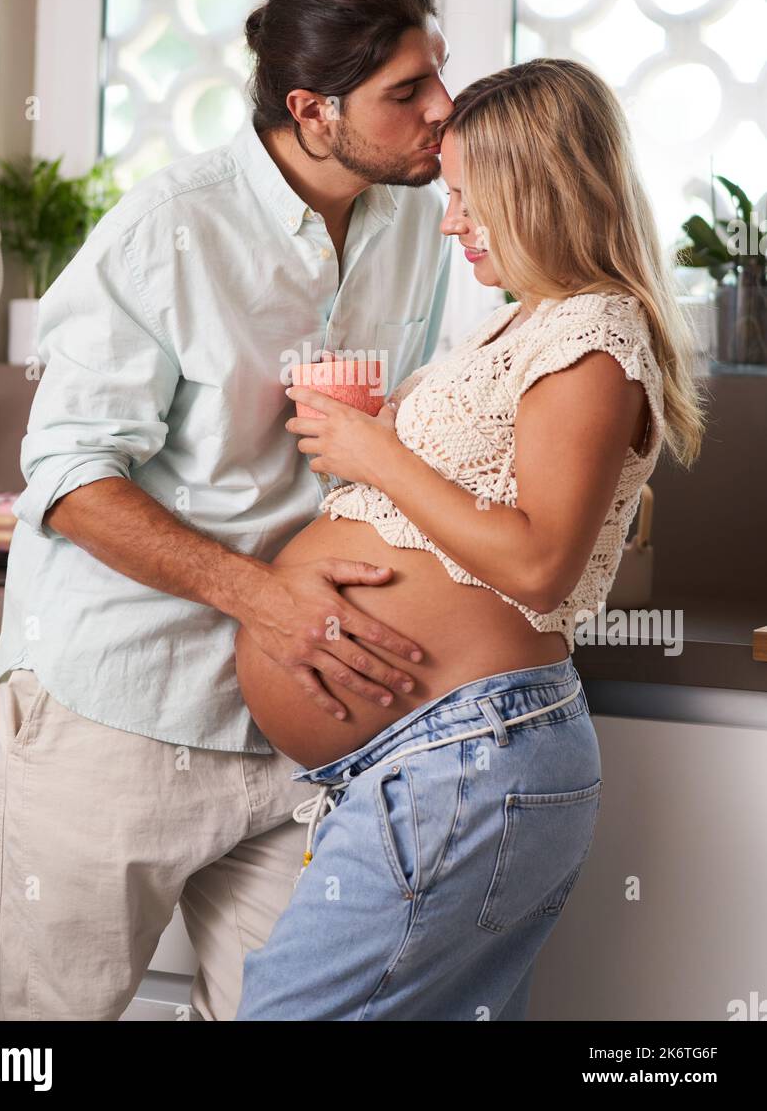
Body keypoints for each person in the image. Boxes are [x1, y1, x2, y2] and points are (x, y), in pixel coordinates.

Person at [0, 0, 454, 1021]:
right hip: (117, 712)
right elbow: (65, 476)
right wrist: (264, 598)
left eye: (437, 76)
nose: (442, 110)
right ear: (311, 110)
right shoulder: (168, 228)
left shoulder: (420, 227)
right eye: (405, 92)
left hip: (299, 728)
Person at [233, 58, 706, 1021]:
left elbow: (538, 564)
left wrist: (375, 453)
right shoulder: (522, 325)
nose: (450, 223)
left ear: (540, 188)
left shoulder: (593, 334)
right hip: (432, 757)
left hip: (469, 752)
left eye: (468, 198)